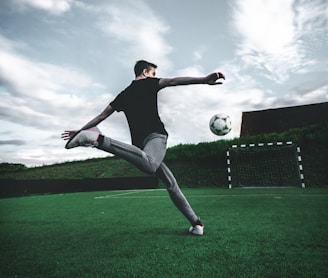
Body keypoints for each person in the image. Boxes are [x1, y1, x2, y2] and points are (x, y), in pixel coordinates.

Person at [61, 60, 225, 236]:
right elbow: (174, 81)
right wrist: (203, 79)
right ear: (146, 72)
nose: (155, 76)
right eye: (153, 73)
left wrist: (80, 130)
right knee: (150, 165)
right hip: (156, 136)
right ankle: (100, 140)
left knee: (171, 183)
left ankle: (196, 223)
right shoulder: (150, 83)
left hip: (142, 147)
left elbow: (101, 116)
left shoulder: (123, 95)